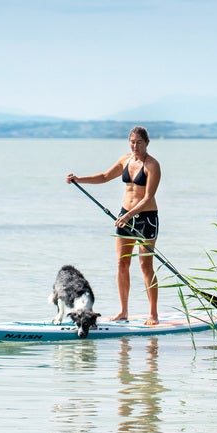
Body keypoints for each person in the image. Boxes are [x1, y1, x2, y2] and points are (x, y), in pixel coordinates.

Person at [66, 126, 162, 325]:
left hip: (146, 219)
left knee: (145, 266)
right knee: (122, 263)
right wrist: (79, 179)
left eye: (139, 142)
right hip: (124, 217)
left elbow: (148, 197)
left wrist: (128, 216)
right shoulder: (125, 160)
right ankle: (123, 311)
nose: (135, 146)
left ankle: (153, 313)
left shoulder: (152, 165)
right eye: (132, 142)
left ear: (147, 143)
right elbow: (104, 176)